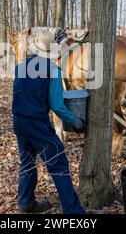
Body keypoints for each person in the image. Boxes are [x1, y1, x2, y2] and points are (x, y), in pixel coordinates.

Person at [12, 31, 85, 214]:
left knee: (27, 161)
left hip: (19, 120)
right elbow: (57, 106)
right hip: (37, 123)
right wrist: (75, 120)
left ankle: (26, 203)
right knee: (58, 163)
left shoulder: (21, 66)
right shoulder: (53, 69)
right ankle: (74, 212)